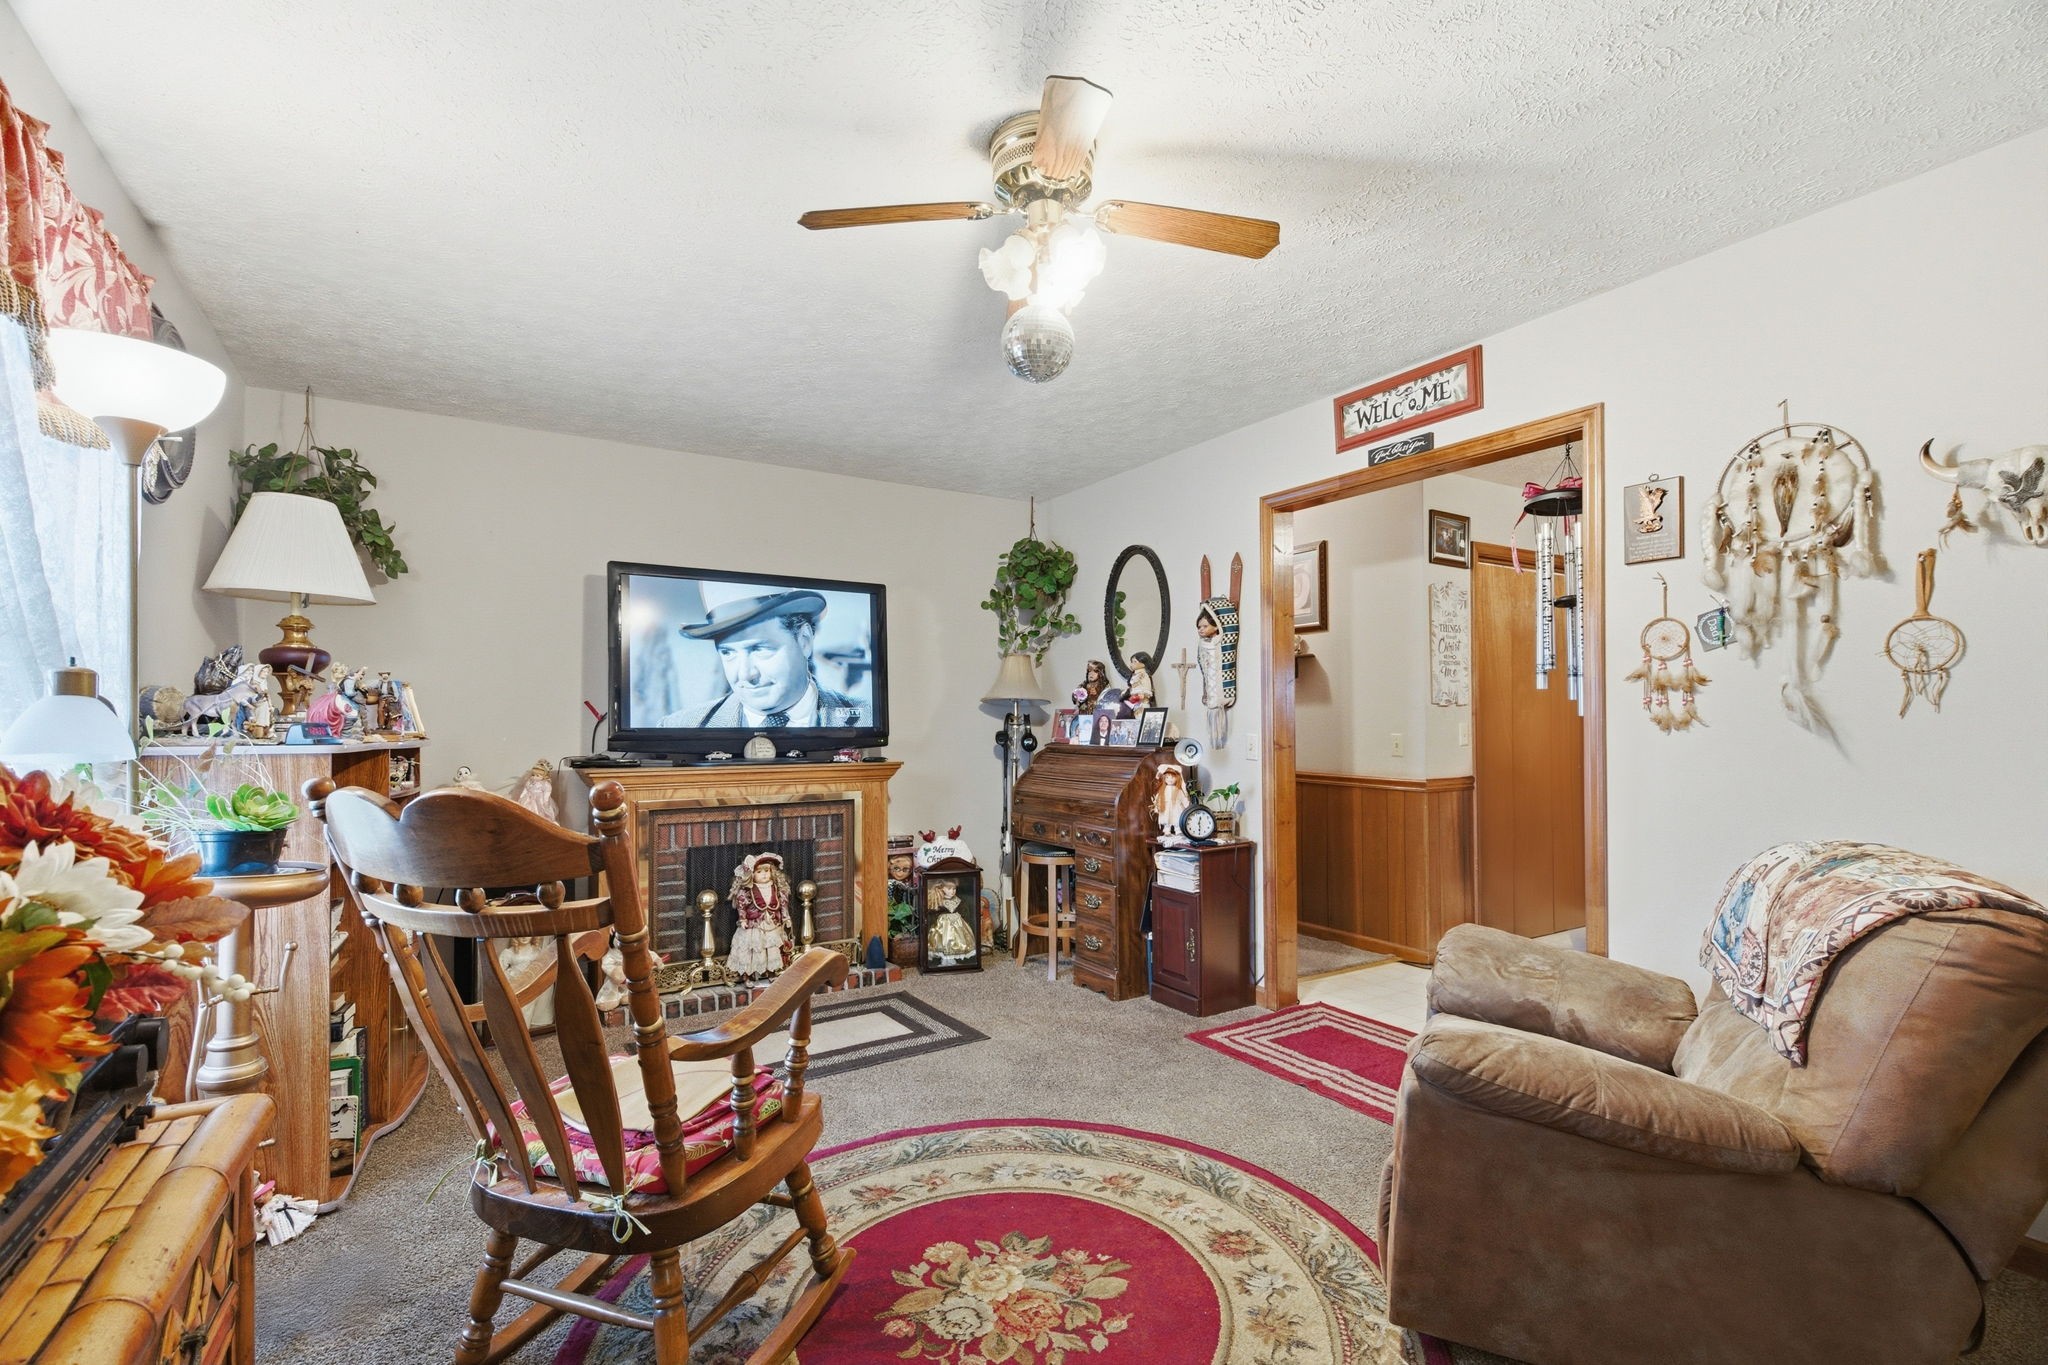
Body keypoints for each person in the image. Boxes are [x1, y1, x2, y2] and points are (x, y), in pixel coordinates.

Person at [662, 590, 871, 729]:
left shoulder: (865, 718)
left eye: (760, 649)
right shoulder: (679, 726)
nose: (745, 674)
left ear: (804, 640)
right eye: (728, 653)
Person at [725, 852, 795, 979]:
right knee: (752, 949)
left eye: (767, 871)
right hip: (754, 925)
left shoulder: (776, 888)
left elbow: (783, 904)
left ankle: (771, 970)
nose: (764, 874)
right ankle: (748, 974)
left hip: (771, 924)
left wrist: (786, 918)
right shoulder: (748, 890)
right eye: (759, 872)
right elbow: (742, 905)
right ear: (752, 874)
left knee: (771, 948)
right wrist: (743, 919)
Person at [925, 877, 976, 961]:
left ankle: (955, 957)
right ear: (942, 888)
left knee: (959, 938)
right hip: (943, 925)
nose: (952, 891)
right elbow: (933, 912)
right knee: (944, 939)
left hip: (958, 924)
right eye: (949, 889)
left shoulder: (958, 900)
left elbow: (963, 910)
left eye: (954, 889)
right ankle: (946, 958)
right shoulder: (938, 900)